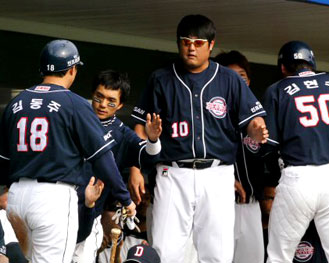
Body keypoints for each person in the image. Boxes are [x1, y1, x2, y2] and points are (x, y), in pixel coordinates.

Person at [129, 14, 268, 262]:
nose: (191, 48)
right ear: (178, 43)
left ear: (211, 45)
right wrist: (136, 168)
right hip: (172, 172)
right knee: (165, 251)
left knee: (217, 252)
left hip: (216, 174)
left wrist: (255, 130)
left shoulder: (229, 79)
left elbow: (253, 121)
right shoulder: (160, 78)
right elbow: (139, 127)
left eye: (198, 43)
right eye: (186, 42)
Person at [0, 39, 136, 263]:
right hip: (52, 198)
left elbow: (3, 160)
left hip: (17, 197)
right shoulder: (74, 103)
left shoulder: (18, 102)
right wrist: (124, 197)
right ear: (72, 70)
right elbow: (103, 157)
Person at [262, 40, 329, 263]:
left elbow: (268, 147)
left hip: (298, 178)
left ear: (283, 68)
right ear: (312, 63)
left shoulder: (277, 89)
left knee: (279, 256)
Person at [73, 70, 162, 263]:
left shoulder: (122, 133)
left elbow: (146, 158)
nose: (103, 105)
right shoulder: (74, 116)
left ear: (120, 105)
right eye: (99, 97)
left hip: (91, 215)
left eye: (111, 101)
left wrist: (153, 139)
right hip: (60, 206)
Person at [214, 50, 266, 263]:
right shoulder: (212, 115)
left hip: (251, 206)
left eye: (241, 76)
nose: (236, 81)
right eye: (230, 75)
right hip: (219, 205)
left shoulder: (259, 118)